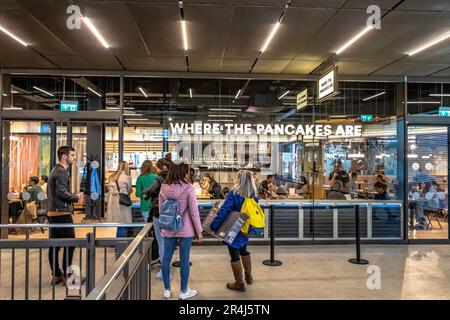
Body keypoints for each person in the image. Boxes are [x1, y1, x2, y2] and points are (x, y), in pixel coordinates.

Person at [159, 160, 203, 300]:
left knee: (166, 258)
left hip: (169, 227)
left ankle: (167, 290)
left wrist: (163, 225)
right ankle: (183, 291)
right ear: (183, 171)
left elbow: (161, 209)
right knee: (185, 259)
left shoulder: (164, 187)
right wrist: (199, 231)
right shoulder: (188, 187)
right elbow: (194, 211)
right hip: (186, 228)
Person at [210, 170, 257, 292]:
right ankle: (248, 275)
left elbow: (224, 210)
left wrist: (214, 225)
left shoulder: (234, 193)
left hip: (233, 228)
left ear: (239, 179)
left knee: (234, 254)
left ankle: (239, 283)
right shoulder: (253, 195)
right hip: (245, 228)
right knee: (244, 250)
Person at [47, 146, 83, 286]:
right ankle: (68, 276)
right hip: (61, 212)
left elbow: (58, 191)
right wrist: (75, 197)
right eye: (72, 155)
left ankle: (57, 275)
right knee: (70, 244)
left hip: (53, 212)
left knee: (54, 245)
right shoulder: (62, 172)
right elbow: (61, 192)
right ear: (64, 156)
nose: (74, 158)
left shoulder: (54, 170)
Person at [143, 158, 172, 280]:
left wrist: (146, 193)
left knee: (161, 242)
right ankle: (167, 269)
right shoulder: (174, 178)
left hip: (159, 213)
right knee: (169, 242)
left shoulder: (159, 178)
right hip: (171, 213)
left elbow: (149, 190)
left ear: (160, 167)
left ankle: (165, 272)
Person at [107, 161, 133, 238]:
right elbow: (129, 190)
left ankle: (118, 242)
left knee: (119, 223)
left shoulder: (112, 176)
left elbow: (110, 189)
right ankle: (121, 243)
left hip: (114, 202)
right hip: (123, 202)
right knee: (123, 222)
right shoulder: (127, 177)